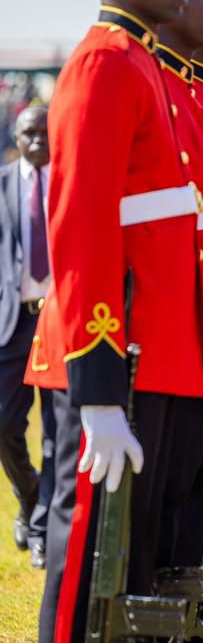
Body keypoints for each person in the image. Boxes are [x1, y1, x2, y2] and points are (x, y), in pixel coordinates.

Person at [29, 0, 203, 640]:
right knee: (89, 564)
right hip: (118, 353)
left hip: (152, 352)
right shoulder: (103, 65)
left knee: (133, 560)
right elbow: (81, 227)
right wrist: (99, 384)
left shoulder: (142, 65)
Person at [0, 105, 55, 570]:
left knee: (57, 433)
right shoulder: (2, 185)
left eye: (45, 132)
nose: (38, 140)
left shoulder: (72, 182)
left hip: (60, 321)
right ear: (15, 137)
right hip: (12, 323)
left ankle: (41, 530)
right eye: (28, 133)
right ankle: (30, 493)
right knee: (4, 423)